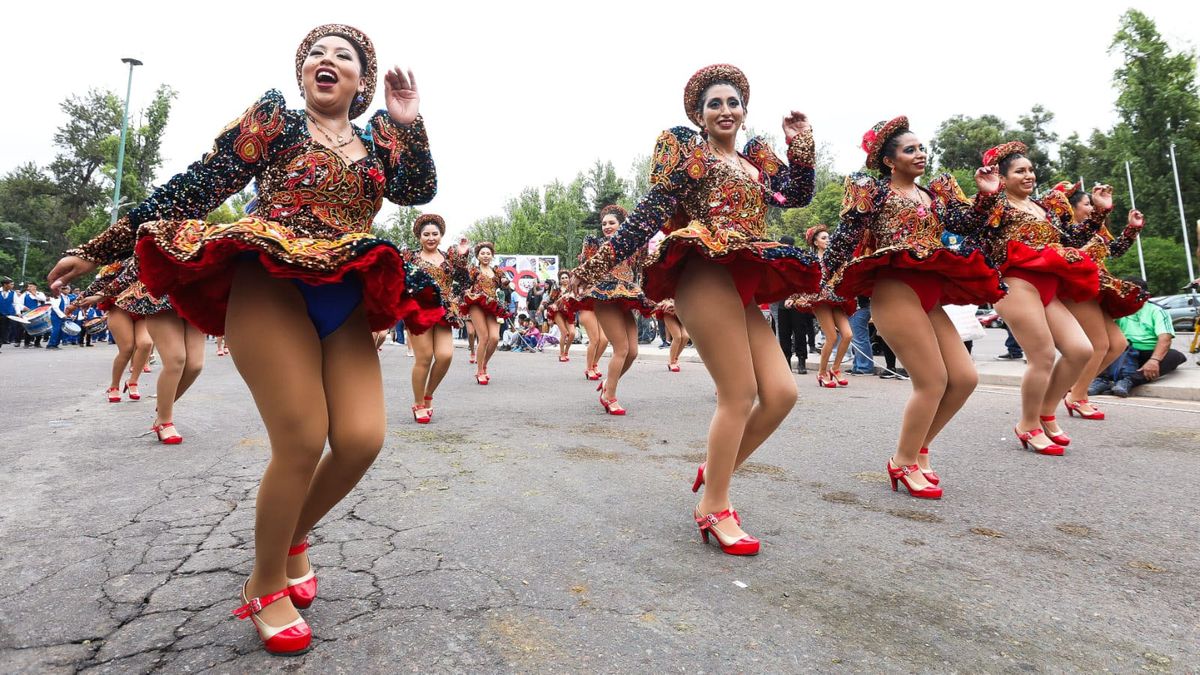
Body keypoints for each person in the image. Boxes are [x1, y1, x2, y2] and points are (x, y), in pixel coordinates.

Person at [48, 24, 435, 655]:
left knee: (362, 438)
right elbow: (194, 186)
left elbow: (418, 191)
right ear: (303, 72)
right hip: (269, 280)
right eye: (317, 54)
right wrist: (98, 250)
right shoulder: (275, 123)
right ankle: (265, 583)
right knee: (304, 438)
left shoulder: (381, 140)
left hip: (345, 288)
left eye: (345, 56)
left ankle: (292, 537)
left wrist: (409, 120)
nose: (328, 60)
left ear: (363, 81)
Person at [573, 64, 820, 555]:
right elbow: (648, 214)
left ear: (744, 112)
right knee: (739, 392)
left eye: (732, 103)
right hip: (702, 270)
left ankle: (716, 468)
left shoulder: (757, 160)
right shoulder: (688, 153)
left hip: (742, 274)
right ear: (699, 115)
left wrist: (802, 145)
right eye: (714, 105)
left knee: (782, 393)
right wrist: (595, 268)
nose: (725, 111)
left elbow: (798, 194)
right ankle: (715, 505)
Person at [823, 117, 1004, 497]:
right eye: (910, 149)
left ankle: (918, 448)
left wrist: (986, 194)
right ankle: (902, 463)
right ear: (890, 161)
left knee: (965, 379)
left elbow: (968, 227)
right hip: (895, 291)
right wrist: (821, 279)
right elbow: (844, 238)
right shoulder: (875, 193)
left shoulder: (934, 195)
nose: (920, 154)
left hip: (929, 293)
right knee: (933, 381)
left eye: (922, 148)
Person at [970, 141, 1102, 456]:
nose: (1028, 175)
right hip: (1016, 284)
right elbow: (973, 225)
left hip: (1047, 285)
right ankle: (1028, 425)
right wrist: (987, 194)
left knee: (1080, 350)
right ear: (1002, 177)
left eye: (1030, 169)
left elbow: (1070, 239)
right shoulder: (998, 205)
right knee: (1042, 356)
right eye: (1020, 171)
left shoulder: (1041, 207)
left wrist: (1099, 213)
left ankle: (1045, 412)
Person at [1055, 181, 1147, 420]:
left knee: (1117, 343)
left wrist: (1132, 229)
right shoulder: (1065, 229)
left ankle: (1075, 389)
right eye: (1087, 204)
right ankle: (1076, 396)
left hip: (1098, 287)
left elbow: (1113, 250)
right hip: (1077, 289)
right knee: (1100, 344)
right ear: (1072, 207)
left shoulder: (1095, 229)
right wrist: (1100, 212)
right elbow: (1073, 246)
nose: (1090, 208)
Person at [577, 205, 656, 415]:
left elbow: (642, 267)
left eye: (611, 223)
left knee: (633, 352)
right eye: (604, 223)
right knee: (621, 349)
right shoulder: (598, 245)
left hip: (625, 297)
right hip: (604, 297)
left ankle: (607, 384)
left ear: (622, 224)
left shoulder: (632, 247)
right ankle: (609, 395)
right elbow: (586, 266)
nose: (607, 227)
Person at [403, 214, 469, 418]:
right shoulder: (410, 257)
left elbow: (464, 280)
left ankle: (428, 394)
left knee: (445, 355)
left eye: (435, 234)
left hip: (444, 312)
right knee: (424, 358)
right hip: (419, 311)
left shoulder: (450, 258)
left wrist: (455, 299)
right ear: (419, 237)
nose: (430, 238)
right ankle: (418, 402)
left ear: (441, 236)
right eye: (426, 234)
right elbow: (399, 280)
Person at [72, 260, 154, 403]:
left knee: (146, 343)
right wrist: (76, 302)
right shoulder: (122, 262)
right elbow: (99, 283)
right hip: (119, 307)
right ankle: (114, 386)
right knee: (127, 348)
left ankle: (132, 382)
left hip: (144, 308)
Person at [788, 224, 857, 387]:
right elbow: (802, 281)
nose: (828, 240)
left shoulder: (836, 258)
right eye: (824, 238)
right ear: (815, 242)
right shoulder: (811, 261)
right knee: (832, 337)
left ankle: (835, 369)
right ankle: (821, 373)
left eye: (829, 237)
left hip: (836, 299)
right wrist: (794, 296)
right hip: (820, 300)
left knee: (847, 335)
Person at [1098, 280, 1187, 397]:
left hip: (1147, 353)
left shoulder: (1157, 311)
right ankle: (1100, 380)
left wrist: (1154, 360)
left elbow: (1165, 339)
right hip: (1123, 352)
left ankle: (1129, 381)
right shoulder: (1116, 310)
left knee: (1175, 356)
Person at [460, 241, 511, 385]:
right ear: (478, 256)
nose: (486, 256)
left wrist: (506, 282)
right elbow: (464, 281)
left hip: (491, 305)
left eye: (488, 253)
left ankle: (483, 364)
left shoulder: (496, 271)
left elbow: (503, 282)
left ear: (492, 256)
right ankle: (479, 371)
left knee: (494, 338)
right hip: (476, 303)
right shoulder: (474, 270)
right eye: (482, 253)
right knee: (484, 337)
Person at [544, 272, 577, 362]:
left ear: (569, 278)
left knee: (572, 333)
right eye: (562, 278)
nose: (564, 279)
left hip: (569, 312)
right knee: (564, 333)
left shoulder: (572, 289)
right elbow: (549, 300)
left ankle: (566, 352)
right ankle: (561, 353)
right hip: (558, 312)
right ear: (560, 280)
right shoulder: (556, 289)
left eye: (566, 277)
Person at [656, 299, 689, 372]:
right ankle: (672, 362)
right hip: (669, 312)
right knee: (677, 337)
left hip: (681, 311)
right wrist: (666, 302)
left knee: (686, 336)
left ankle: (675, 358)